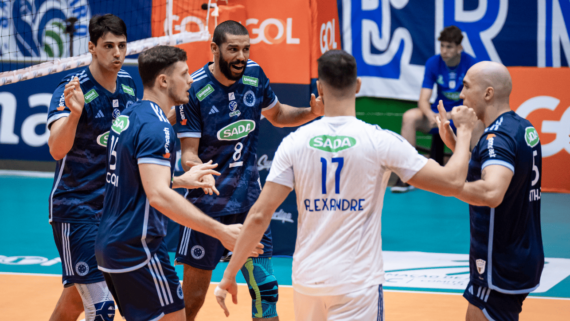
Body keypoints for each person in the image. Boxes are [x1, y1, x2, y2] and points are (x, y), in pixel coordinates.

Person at [214, 50, 478, 321]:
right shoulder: (381, 141)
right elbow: (452, 182)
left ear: (319, 87)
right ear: (358, 86)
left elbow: (259, 216)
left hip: (309, 282)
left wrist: (229, 275)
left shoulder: (294, 142)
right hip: (357, 284)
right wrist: (465, 132)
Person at [93, 45, 261, 321]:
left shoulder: (129, 116)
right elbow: (157, 195)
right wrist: (221, 231)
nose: (191, 80)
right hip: (138, 249)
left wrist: (181, 180)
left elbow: (133, 179)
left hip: (113, 246)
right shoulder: (157, 128)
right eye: (184, 74)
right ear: (163, 80)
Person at [173, 20, 324, 321]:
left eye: (245, 49)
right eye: (233, 49)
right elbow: (188, 151)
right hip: (206, 205)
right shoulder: (196, 88)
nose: (241, 56)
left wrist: (312, 113)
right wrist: (195, 169)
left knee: (265, 292)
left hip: (248, 203)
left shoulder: (254, 74)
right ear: (215, 49)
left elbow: (278, 115)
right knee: (192, 300)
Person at [436, 61, 544, 321]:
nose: (461, 94)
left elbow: (492, 192)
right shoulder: (521, 127)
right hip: (521, 253)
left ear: (488, 93)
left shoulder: (497, 137)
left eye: (466, 86)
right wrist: (455, 143)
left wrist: (448, 183)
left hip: (499, 262)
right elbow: (496, 170)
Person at [46, 14, 137, 321]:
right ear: (92, 48)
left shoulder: (127, 84)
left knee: (73, 302)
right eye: (108, 46)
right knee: (101, 309)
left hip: (114, 210)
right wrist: (74, 115)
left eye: (122, 46)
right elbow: (57, 149)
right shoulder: (70, 88)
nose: (117, 53)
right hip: (77, 208)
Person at [392, 25, 478, 193]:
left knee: (480, 122)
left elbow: (474, 98)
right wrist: (430, 114)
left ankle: (475, 175)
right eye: (442, 46)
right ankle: (408, 176)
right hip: (439, 114)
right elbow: (423, 99)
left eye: (449, 46)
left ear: (459, 48)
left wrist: (457, 114)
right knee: (410, 117)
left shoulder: (470, 63)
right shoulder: (433, 63)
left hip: (460, 115)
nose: (444, 50)